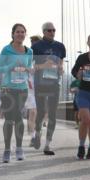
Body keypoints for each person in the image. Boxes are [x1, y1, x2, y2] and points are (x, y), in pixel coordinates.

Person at [0, 23, 33, 162]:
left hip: (22, 89)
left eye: (23, 32)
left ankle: (19, 148)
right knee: (10, 118)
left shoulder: (29, 51)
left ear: (25, 34)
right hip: (7, 89)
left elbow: (29, 68)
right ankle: (7, 150)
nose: (20, 34)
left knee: (17, 118)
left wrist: (27, 69)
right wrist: (12, 65)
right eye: (17, 32)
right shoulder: (6, 50)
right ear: (13, 34)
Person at [31, 21, 66, 155]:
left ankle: (47, 145)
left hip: (54, 84)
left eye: (54, 30)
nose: (52, 32)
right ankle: (37, 133)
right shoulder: (36, 47)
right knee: (40, 112)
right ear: (44, 32)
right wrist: (43, 66)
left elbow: (61, 62)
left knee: (52, 114)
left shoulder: (60, 46)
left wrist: (61, 68)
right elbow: (31, 67)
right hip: (40, 83)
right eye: (49, 30)